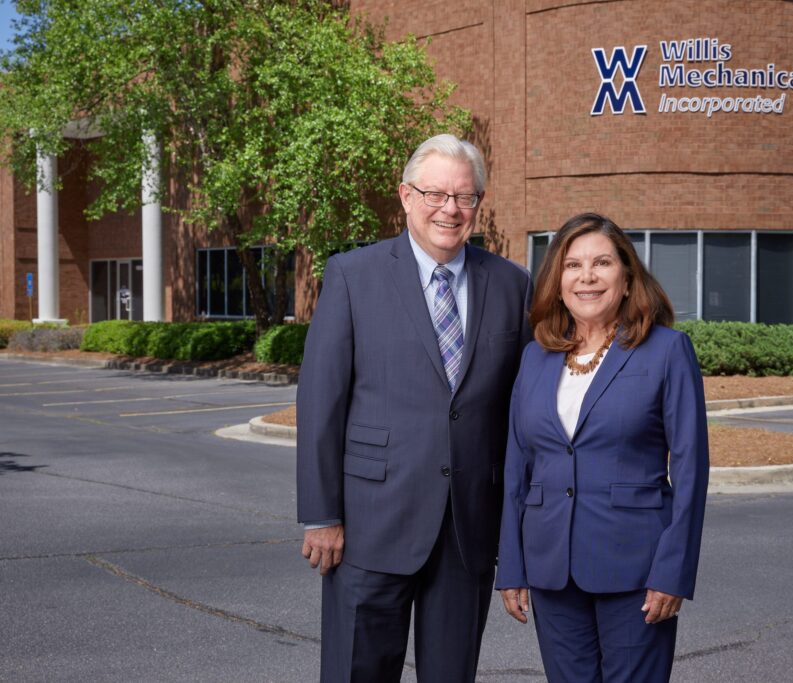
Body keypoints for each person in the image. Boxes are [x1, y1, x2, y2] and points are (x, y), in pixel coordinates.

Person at [296, 134, 532, 683]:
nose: (450, 209)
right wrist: (321, 514)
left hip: (468, 529)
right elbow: (320, 403)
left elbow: (523, 412)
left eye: (465, 197)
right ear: (405, 196)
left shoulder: (511, 285)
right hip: (369, 523)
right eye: (435, 194)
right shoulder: (354, 276)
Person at [495, 212, 709, 682]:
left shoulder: (666, 351)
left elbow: (691, 469)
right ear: (558, 280)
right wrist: (510, 565)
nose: (586, 277)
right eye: (572, 266)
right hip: (551, 569)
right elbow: (517, 467)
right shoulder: (535, 356)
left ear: (628, 278)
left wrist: (673, 571)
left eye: (602, 263)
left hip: (636, 570)